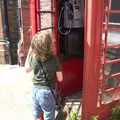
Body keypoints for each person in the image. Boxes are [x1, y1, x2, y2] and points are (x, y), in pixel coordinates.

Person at [25, 30, 63, 120]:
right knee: (49, 115)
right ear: (50, 46)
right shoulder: (54, 59)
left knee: (36, 115)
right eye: (52, 41)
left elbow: (26, 70)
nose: (54, 41)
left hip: (35, 91)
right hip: (47, 92)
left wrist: (29, 53)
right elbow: (60, 79)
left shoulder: (34, 58)